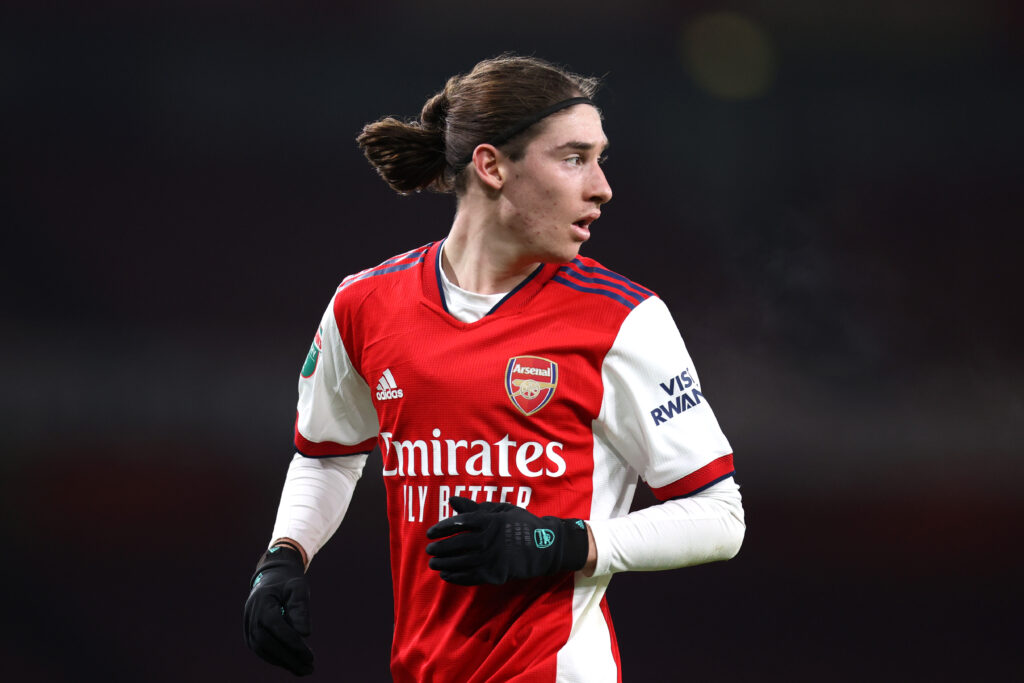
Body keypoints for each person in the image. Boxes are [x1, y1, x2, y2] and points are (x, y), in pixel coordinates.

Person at [243, 54, 745, 681]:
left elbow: (719, 517)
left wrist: (560, 542)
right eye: (573, 158)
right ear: (492, 166)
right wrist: (285, 555)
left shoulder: (624, 319)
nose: (601, 187)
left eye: (600, 158)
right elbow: (329, 453)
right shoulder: (365, 305)